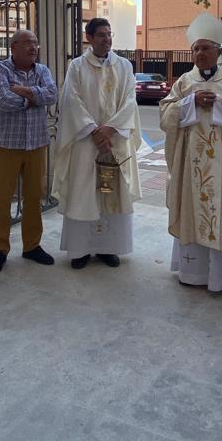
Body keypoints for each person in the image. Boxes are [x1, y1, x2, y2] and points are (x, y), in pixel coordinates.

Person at [160, 14, 222, 297]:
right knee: (193, 209)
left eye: (205, 48)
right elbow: (165, 114)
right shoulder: (184, 82)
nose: (199, 54)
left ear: (218, 50)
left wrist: (220, 103)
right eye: (195, 49)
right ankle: (193, 273)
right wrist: (191, 102)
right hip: (192, 163)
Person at [52, 18, 141, 268]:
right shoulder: (77, 66)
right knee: (84, 194)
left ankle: (107, 248)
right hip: (86, 142)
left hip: (114, 142)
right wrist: (93, 131)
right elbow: (70, 99)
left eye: (109, 34)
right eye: (101, 35)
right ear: (89, 38)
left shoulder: (124, 66)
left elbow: (130, 100)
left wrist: (110, 129)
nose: (107, 39)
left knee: (111, 194)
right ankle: (80, 250)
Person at [0, 30, 58, 275]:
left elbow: (53, 95)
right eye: (28, 43)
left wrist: (24, 91)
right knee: (2, 200)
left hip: (36, 143)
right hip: (6, 144)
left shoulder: (43, 71)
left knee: (34, 198)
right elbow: (2, 100)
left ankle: (32, 246)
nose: (33, 48)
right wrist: (34, 97)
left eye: (35, 43)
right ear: (13, 46)